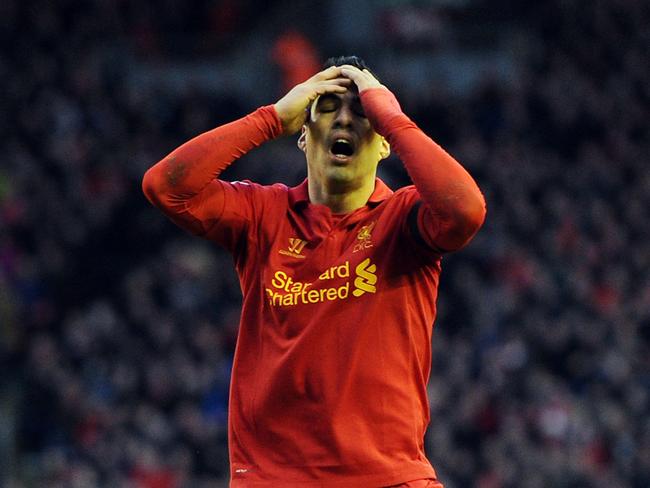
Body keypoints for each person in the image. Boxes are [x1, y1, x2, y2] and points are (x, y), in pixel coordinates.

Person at [142, 56, 486, 487]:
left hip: (390, 477)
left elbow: (466, 211)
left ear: (383, 144)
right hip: (276, 479)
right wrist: (269, 119)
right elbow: (166, 188)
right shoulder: (263, 214)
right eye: (327, 108)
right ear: (303, 136)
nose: (345, 120)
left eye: (362, 112)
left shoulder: (403, 218)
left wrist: (392, 118)